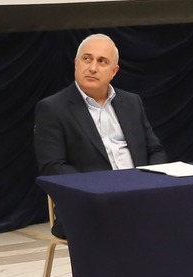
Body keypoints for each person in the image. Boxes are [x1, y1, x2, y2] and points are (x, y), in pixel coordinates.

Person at [34, 33, 167, 175]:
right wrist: (99, 185)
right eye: (86, 59)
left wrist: (150, 180)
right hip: (92, 187)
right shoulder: (53, 108)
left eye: (102, 61)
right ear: (76, 63)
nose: (92, 68)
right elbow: (53, 166)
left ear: (114, 71)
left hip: (141, 185)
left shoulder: (132, 102)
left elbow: (155, 151)